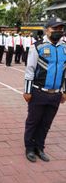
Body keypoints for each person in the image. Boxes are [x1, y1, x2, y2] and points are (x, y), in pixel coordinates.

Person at [23, 17, 66, 163]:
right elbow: (30, 69)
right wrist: (27, 91)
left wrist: (64, 91)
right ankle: (29, 148)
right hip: (38, 92)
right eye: (55, 28)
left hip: (55, 94)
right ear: (47, 29)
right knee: (33, 121)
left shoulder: (65, 47)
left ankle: (39, 147)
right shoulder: (37, 46)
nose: (58, 31)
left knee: (46, 123)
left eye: (60, 28)